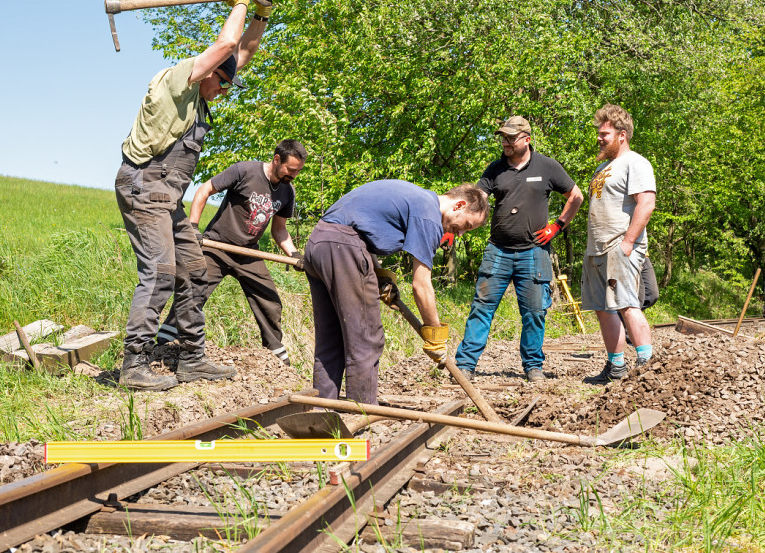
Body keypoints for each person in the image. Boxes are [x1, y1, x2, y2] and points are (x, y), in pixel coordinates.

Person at [114, 0, 275, 391]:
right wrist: (238, 4)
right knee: (160, 273)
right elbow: (225, 47)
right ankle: (133, 365)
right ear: (206, 74)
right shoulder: (177, 82)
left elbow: (240, 54)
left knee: (195, 270)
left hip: (167, 200)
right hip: (142, 187)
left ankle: (192, 358)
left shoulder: (202, 95)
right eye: (221, 84)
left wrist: (260, 14)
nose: (222, 93)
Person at [304, 181, 489, 405]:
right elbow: (421, 285)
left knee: (331, 337)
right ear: (459, 205)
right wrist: (435, 334)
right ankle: (362, 414)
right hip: (342, 248)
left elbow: (359, 229)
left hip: (318, 242)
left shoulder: (417, 198)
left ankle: (322, 409)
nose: (459, 233)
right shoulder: (429, 216)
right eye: (466, 226)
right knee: (366, 339)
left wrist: (376, 272)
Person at [454, 116, 584, 383]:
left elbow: (576, 196)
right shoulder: (495, 169)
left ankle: (533, 367)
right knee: (482, 308)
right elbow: (478, 200)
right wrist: (454, 224)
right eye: (503, 138)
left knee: (535, 312)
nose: (505, 142)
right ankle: (464, 366)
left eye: (511, 138)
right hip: (498, 251)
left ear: (527, 139)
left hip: (534, 252)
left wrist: (557, 226)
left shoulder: (547, 166)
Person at [159, 140, 307, 366]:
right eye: (291, 169)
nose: (295, 175)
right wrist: (193, 227)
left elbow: (279, 230)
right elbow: (204, 190)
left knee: (270, 300)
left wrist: (294, 254)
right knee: (193, 291)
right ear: (277, 159)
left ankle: (274, 355)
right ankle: (166, 340)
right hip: (217, 246)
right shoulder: (245, 170)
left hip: (249, 254)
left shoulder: (288, 192)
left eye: (299, 171)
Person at [580, 104, 657, 382]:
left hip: (620, 246)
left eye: (605, 134)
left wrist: (628, 243)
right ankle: (616, 367)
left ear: (622, 135)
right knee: (603, 308)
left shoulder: (635, 162)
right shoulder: (603, 167)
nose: (599, 138)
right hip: (597, 249)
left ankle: (648, 366)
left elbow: (646, 203)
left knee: (626, 304)